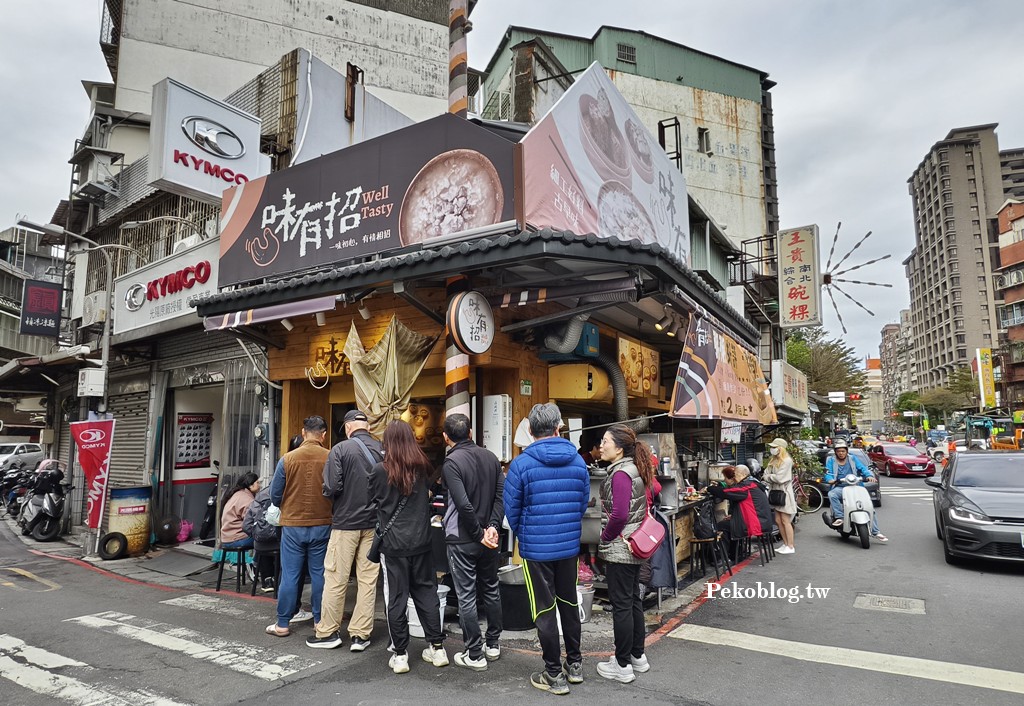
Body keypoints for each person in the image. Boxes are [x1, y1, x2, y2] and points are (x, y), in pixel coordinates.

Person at [503, 403, 589, 696]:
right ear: (558, 428)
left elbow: (511, 511)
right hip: (568, 547)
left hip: (536, 550)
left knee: (544, 609)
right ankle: (574, 665)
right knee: (568, 602)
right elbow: (581, 504)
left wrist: (526, 534)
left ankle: (553, 673)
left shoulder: (521, 464)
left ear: (529, 431)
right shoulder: (577, 461)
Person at [368, 420, 448, 675]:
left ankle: (400, 654)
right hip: (422, 541)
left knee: (397, 597)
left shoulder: (379, 471)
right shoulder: (422, 467)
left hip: (394, 545)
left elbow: (372, 501)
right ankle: (437, 648)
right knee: (427, 594)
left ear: (387, 442)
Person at [308, 409, 384, 652]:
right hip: (374, 524)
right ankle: (361, 635)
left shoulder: (340, 449)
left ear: (349, 427)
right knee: (368, 579)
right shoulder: (382, 449)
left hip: (345, 523)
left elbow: (330, 486)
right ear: (368, 427)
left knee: (336, 577)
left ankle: (328, 632)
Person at [441, 413, 504, 671]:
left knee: (466, 595)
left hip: (464, 539)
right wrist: (492, 528)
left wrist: (479, 533)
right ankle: (493, 644)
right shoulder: (491, 458)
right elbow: (500, 498)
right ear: (470, 433)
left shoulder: (451, 462)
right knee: (491, 588)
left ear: (446, 437)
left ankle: (474, 653)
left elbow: (463, 505)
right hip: (489, 538)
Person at [595, 424, 653, 684]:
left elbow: (618, 514)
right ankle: (637, 657)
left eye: (605, 440)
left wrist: (605, 538)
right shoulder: (633, 469)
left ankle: (622, 664)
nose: (601, 444)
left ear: (618, 448)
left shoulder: (620, 474)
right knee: (632, 601)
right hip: (634, 545)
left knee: (621, 605)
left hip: (621, 547)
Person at [266, 415, 333, 637]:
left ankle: (283, 623)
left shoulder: (287, 459)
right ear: (323, 435)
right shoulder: (330, 457)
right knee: (319, 574)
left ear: (303, 433)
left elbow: (275, 496)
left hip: (293, 525)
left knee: (290, 574)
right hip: (322, 523)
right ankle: (319, 620)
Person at [824, 440, 888, 542]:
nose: (841, 453)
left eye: (843, 451)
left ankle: (876, 531)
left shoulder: (853, 459)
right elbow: (828, 472)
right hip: (841, 486)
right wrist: (830, 480)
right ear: (836, 452)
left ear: (846, 451)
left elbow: (863, 468)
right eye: (839, 451)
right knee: (832, 494)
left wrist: (869, 476)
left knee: (868, 506)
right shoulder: (831, 460)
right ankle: (840, 517)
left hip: (856, 486)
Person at [705, 465, 771, 552]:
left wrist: (709, 488)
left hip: (756, 523)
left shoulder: (746, 486)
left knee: (721, 526)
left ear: (742, 474)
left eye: (735, 474)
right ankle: (736, 553)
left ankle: (723, 558)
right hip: (762, 520)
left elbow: (726, 493)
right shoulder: (753, 483)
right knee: (729, 523)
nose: (734, 477)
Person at [763, 438, 797, 555]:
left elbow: (779, 478)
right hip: (775, 491)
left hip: (784, 493)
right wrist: (771, 476)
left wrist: (770, 476)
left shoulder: (787, 461)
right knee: (778, 520)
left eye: (774, 447)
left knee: (785, 520)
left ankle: (790, 545)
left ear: (780, 448)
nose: (772, 449)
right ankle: (785, 543)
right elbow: (765, 474)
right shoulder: (773, 460)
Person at [220, 472, 259, 552]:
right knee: (265, 540)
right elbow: (251, 521)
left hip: (226, 538)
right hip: (236, 539)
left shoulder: (237, 494)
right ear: (250, 486)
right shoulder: (246, 499)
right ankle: (258, 563)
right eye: (257, 482)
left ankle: (256, 563)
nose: (260, 485)